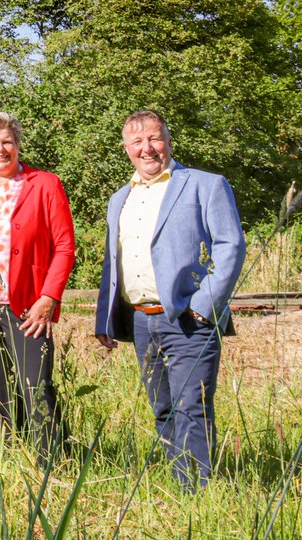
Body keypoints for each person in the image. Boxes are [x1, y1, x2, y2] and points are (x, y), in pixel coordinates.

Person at [91, 110, 245, 491]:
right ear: (126, 149)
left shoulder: (204, 185)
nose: (148, 149)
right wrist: (104, 321)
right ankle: (180, 484)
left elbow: (231, 244)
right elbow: (113, 262)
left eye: (155, 139)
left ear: (169, 141)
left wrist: (204, 302)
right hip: (142, 320)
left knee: (192, 406)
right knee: (162, 407)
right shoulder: (119, 199)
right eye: (137, 142)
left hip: (188, 319)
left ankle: (197, 493)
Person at [0, 112, 77, 465]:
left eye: (7, 141)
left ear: (18, 144)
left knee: (35, 386)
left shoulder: (44, 185)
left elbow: (65, 246)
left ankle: (51, 462)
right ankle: (13, 457)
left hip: (25, 305)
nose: (0, 149)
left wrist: (48, 298)